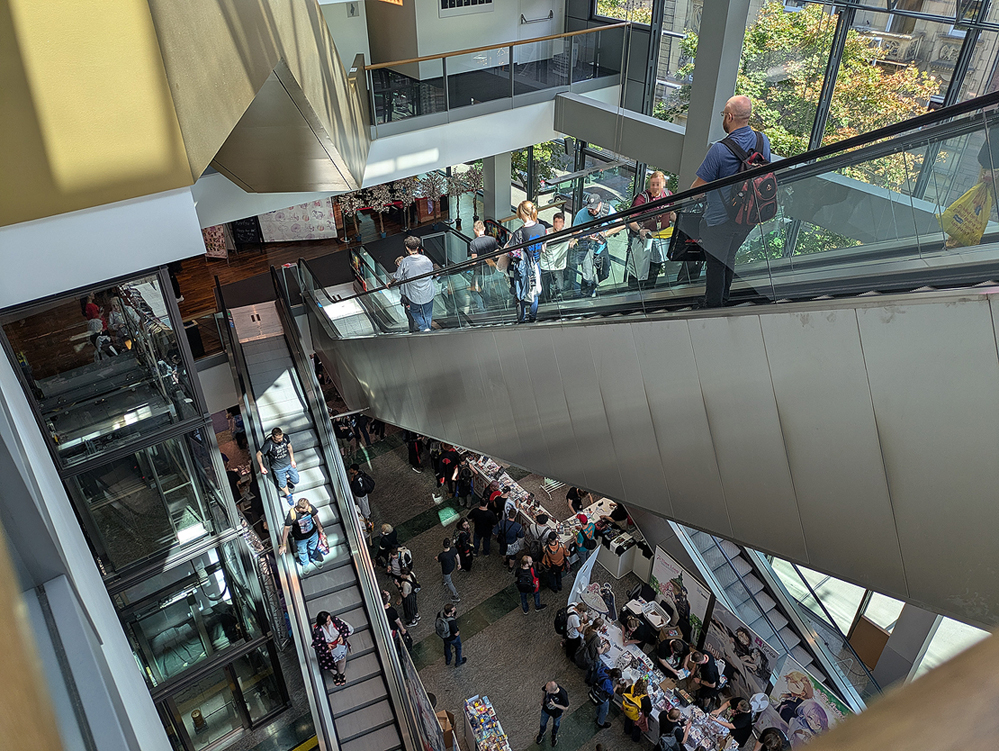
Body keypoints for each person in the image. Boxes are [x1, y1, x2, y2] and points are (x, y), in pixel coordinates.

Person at [690, 95, 771, 308]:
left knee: (716, 263)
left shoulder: (719, 150)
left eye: (723, 115)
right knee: (729, 257)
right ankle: (723, 298)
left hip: (719, 220)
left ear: (730, 116)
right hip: (749, 218)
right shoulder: (763, 141)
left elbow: (696, 192)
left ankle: (713, 306)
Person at [626, 170, 675, 289]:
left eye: (658, 184)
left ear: (663, 184)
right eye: (652, 184)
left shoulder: (668, 195)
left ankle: (648, 293)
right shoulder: (642, 198)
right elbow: (631, 219)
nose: (655, 187)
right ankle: (631, 294)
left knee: (654, 270)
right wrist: (639, 230)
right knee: (638, 270)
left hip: (660, 240)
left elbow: (672, 213)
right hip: (644, 240)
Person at [503, 200, 546, 323]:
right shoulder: (542, 228)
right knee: (534, 292)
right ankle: (532, 318)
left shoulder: (518, 233)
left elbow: (510, 253)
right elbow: (543, 248)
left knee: (520, 294)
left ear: (521, 214)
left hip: (521, 268)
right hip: (535, 265)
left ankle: (521, 320)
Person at [388, 236, 436, 330]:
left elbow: (397, 276)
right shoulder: (426, 259)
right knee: (428, 313)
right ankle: (428, 328)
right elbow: (431, 274)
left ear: (407, 247)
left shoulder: (405, 262)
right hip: (428, 291)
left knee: (414, 312)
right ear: (418, 247)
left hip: (414, 295)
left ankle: (424, 328)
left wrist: (390, 283)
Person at [278, 497, 325, 570]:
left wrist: (319, 526)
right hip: (300, 538)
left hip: (313, 534)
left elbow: (315, 516)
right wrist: (283, 544)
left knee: (314, 547)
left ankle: (314, 559)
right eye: (306, 509)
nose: (308, 509)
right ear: (300, 508)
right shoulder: (292, 515)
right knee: (302, 551)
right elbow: (286, 529)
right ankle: (305, 563)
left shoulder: (309, 508)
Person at [256, 427, 298, 504]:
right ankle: (288, 494)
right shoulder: (269, 443)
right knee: (282, 484)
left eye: (281, 437)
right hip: (278, 468)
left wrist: (292, 459)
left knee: (296, 480)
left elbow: (289, 447)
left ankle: (287, 481)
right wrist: (261, 466)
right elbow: (258, 454)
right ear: (273, 437)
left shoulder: (285, 438)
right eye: (278, 439)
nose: (280, 440)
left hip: (288, 463)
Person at [312, 611, 353, 686]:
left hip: (339, 646)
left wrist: (342, 636)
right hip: (328, 650)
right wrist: (326, 646)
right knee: (329, 664)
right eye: (328, 620)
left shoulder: (335, 621)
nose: (330, 621)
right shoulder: (317, 631)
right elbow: (316, 644)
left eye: (329, 618)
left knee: (342, 660)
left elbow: (345, 628)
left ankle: (341, 673)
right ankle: (335, 675)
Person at [469, 220, 500, 308]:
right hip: (490, 269)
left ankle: (482, 306)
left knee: (476, 288)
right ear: (484, 229)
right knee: (487, 287)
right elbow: (497, 254)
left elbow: (474, 260)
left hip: (479, 271)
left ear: (475, 230)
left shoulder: (473, 243)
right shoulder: (492, 240)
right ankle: (487, 304)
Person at [540, 212, 570, 302]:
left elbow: (576, 234)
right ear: (553, 222)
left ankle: (555, 299)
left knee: (560, 286)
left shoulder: (566, 233)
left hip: (558, 265)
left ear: (563, 223)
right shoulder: (546, 233)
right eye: (556, 222)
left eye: (560, 222)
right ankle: (546, 302)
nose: (557, 224)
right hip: (546, 264)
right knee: (545, 287)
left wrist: (574, 240)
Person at [536, 681, 569, 747]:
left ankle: (554, 735)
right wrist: (542, 700)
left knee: (556, 724)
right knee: (542, 723)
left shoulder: (563, 695)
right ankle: (541, 733)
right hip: (545, 710)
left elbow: (566, 707)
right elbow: (544, 691)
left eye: (547, 690)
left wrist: (555, 704)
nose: (546, 689)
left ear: (553, 690)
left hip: (557, 713)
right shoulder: (548, 686)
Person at [621, 678, 653, 742]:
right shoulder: (645, 698)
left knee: (628, 720)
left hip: (628, 710)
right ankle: (635, 738)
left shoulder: (630, 688)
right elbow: (649, 709)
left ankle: (627, 730)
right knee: (637, 727)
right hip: (637, 715)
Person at [593, 666, 622, 730]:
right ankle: (601, 722)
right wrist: (616, 686)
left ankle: (598, 716)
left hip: (597, 692)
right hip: (603, 698)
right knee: (604, 711)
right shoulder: (608, 682)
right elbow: (611, 692)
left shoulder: (604, 670)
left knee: (599, 706)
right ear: (614, 677)